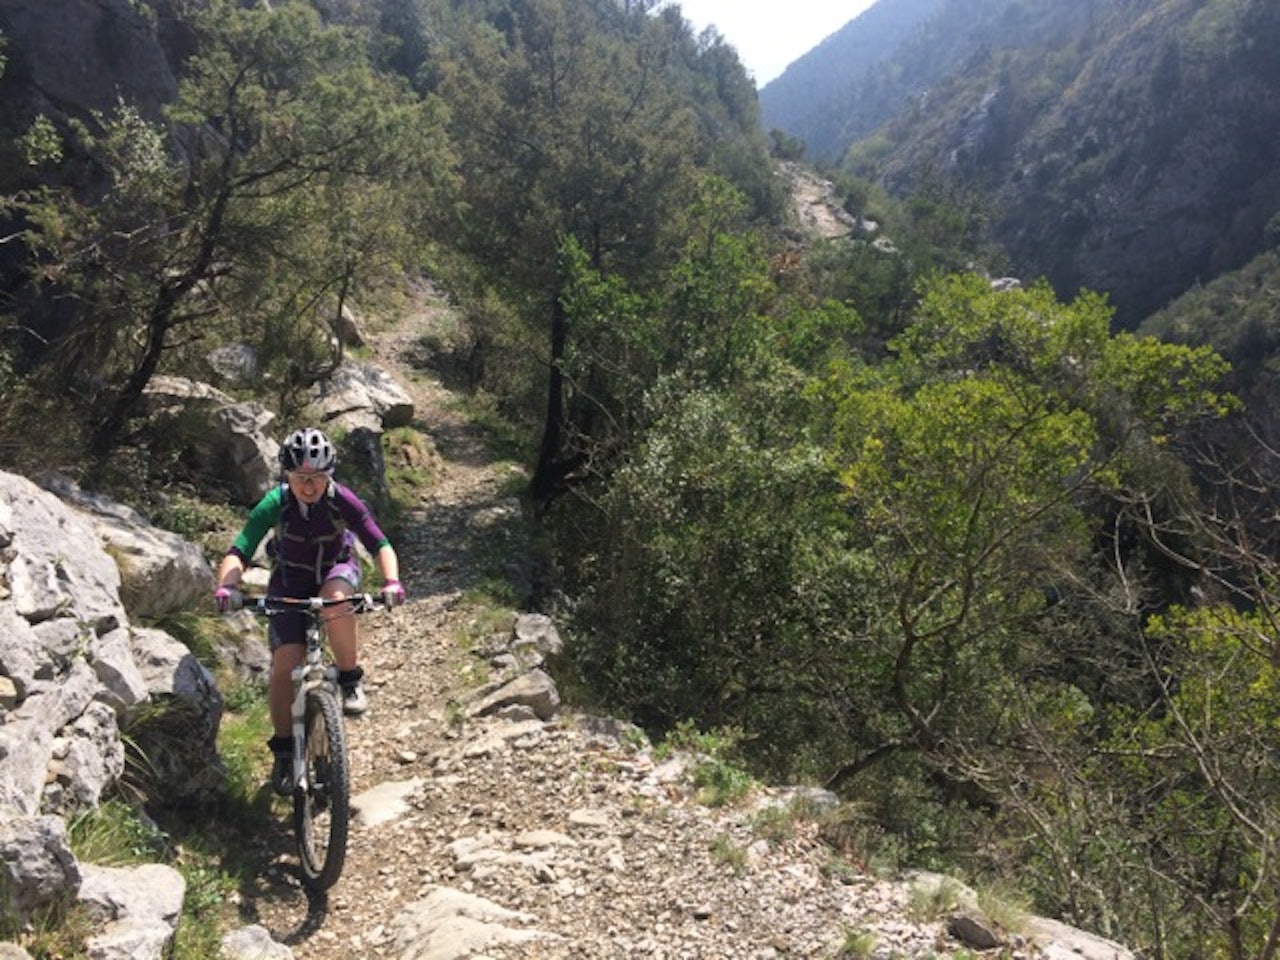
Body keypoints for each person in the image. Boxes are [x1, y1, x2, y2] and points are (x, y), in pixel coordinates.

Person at [213, 426, 405, 795]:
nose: (310, 485)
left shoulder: (342, 500)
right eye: (302, 478)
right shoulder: (276, 502)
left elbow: (379, 542)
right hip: (289, 581)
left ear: (328, 475)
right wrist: (227, 586)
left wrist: (391, 582)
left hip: (336, 569)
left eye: (317, 477)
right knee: (286, 663)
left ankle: (349, 680)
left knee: (336, 600)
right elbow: (240, 549)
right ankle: (284, 750)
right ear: (288, 475)